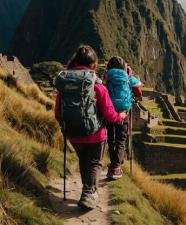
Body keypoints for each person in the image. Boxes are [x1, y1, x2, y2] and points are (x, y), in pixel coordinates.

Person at [54, 45, 127, 209]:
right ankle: (89, 193)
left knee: (83, 160)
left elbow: (58, 113)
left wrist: (66, 126)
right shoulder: (96, 85)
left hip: (72, 133)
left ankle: (87, 190)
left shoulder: (65, 84)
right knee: (94, 163)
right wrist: (120, 116)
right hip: (94, 135)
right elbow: (109, 114)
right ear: (93, 64)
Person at [104, 56, 142, 180]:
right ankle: (115, 167)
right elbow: (138, 91)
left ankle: (113, 163)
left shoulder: (108, 75)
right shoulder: (129, 77)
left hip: (109, 108)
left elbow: (103, 85)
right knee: (121, 138)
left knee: (111, 137)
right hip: (124, 110)